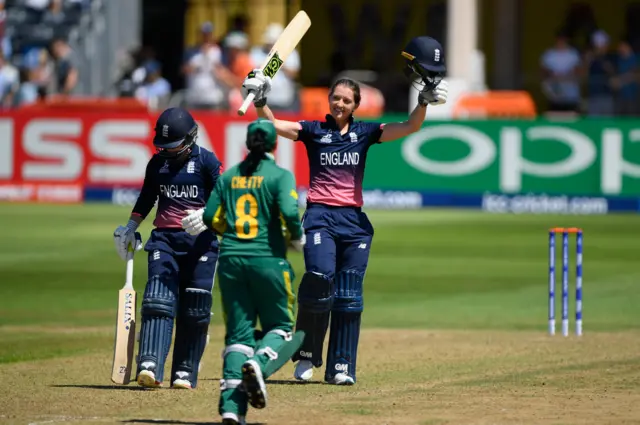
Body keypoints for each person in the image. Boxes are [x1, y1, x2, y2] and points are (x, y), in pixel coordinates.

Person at [241, 36, 449, 385]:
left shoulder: (366, 133)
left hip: (354, 221)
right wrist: (261, 99)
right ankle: (306, 356)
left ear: (355, 106)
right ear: (329, 100)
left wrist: (423, 102)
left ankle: (342, 366)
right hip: (320, 216)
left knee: (349, 295)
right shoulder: (314, 131)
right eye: (335, 98)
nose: (339, 103)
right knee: (319, 282)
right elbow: (272, 125)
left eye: (346, 100)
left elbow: (411, 126)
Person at [181, 119, 305, 425]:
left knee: (238, 336)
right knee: (282, 329)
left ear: (247, 144)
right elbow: (290, 212)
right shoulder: (280, 176)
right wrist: (297, 237)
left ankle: (231, 409)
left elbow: (210, 216)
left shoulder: (229, 177)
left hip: (231, 262)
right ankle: (259, 364)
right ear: (275, 144)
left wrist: (231, 229)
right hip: (269, 261)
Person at [112, 107, 223, 390]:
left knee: (194, 309)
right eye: (162, 147)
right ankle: (149, 363)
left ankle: (185, 369)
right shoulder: (156, 163)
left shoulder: (207, 161)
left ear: (191, 138)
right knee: (157, 300)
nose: (167, 153)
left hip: (201, 243)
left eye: (172, 148)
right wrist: (130, 227)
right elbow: (147, 197)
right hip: (164, 240)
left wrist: (207, 216)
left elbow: (226, 197)